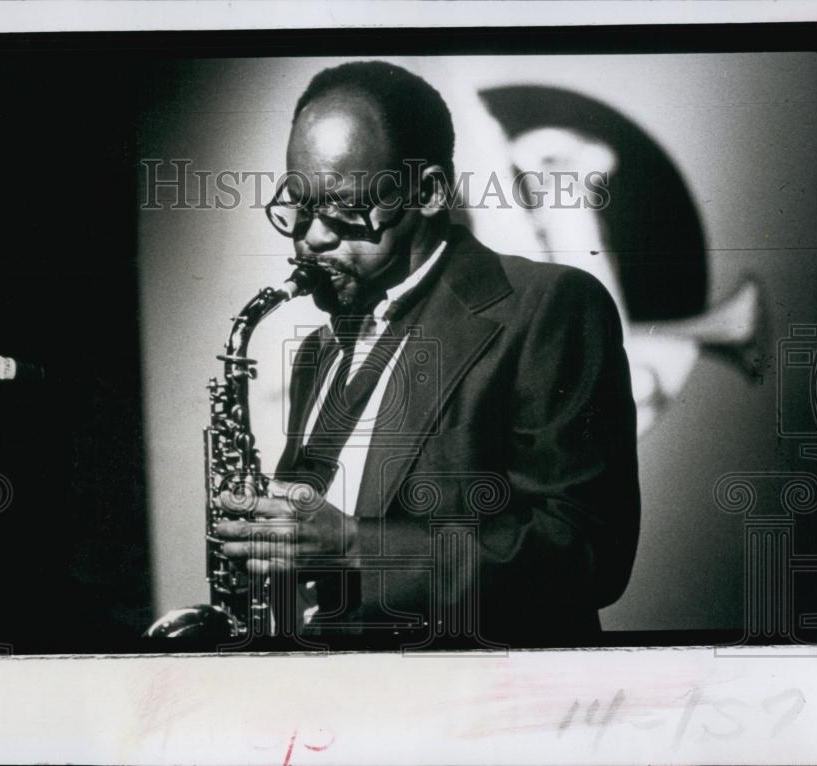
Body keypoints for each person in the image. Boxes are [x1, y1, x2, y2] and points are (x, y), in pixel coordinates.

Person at [215, 61, 640, 649]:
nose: (311, 238)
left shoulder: (551, 307)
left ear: (430, 191)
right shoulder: (319, 348)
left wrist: (354, 545)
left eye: (342, 208)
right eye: (299, 207)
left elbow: (589, 554)